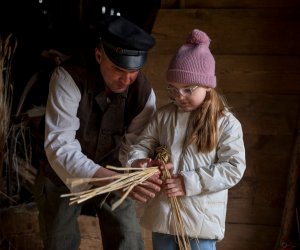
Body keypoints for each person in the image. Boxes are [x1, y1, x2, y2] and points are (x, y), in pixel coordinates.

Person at [33, 15, 162, 250]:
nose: (126, 79)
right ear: (99, 55)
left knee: (129, 240)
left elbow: (134, 145)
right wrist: (109, 177)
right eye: (117, 68)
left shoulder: (143, 93)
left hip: (115, 172)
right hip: (62, 173)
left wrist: (136, 166)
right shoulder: (68, 78)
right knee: (60, 241)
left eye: (133, 71)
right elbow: (60, 146)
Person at [127, 29, 246, 250]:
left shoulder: (226, 123)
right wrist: (138, 162)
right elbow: (142, 145)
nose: (179, 97)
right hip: (163, 217)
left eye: (188, 90)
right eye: (173, 89)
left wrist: (188, 182)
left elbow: (234, 167)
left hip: (200, 222)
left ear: (208, 86)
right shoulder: (163, 116)